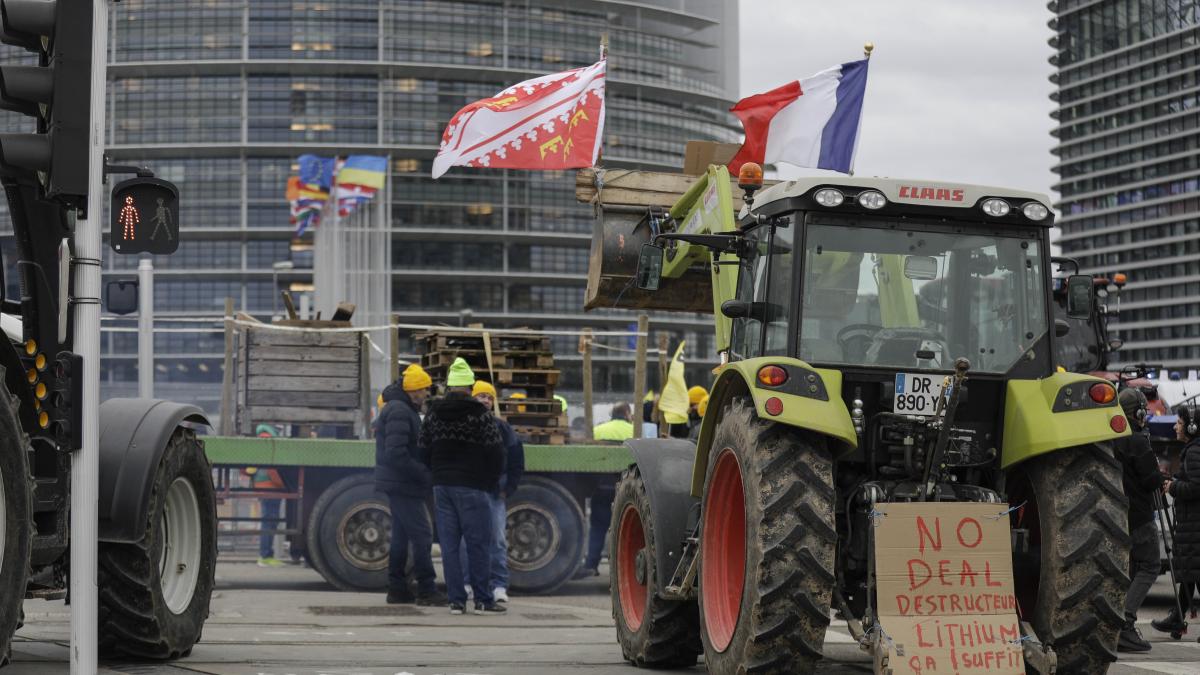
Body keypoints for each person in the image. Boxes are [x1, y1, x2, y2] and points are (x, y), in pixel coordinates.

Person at [420, 358, 506, 616]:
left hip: (442, 487)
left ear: (449, 386)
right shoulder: (479, 414)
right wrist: (489, 481)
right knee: (478, 543)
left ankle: (456, 601)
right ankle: (482, 598)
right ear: (469, 386)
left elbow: (422, 448)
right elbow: (496, 451)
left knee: (449, 545)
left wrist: (436, 472)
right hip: (473, 486)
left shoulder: (433, 413)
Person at [374, 365, 444, 606]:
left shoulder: (402, 408)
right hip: (404, 484)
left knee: (401, 538)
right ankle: (426, 589)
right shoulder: (401, 411)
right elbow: (396, 453)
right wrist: (423, 473)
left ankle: (397, 588)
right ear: (414, 390)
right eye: (424, 389)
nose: (427, 394)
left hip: (400, 483)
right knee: (423, 535)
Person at [466, 380, 526, 604]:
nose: (485, 400)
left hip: (494, 493)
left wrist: (508, 488)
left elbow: (517, 460)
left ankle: (499, 585)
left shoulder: (503, 428)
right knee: (469, 539)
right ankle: (468, 582)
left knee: (497, 540)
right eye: (481, 395)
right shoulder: (465, 426)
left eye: (489, 397)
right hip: (472, 492)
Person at [1114, 388, 1161, 652]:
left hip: (1119, 516)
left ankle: (1117, 622)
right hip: (1140, 515)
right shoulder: (1138, 441)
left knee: (1130, 569)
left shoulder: (1111, 439)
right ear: (1139, 412)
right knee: (1150, 566)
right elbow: (1151, 480)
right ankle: (1126, 623)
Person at [1153, 401, 1200, 638]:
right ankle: (1178, 620)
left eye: (1179, 423)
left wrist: (1173, 486)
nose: (1175, 428)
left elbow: (1195, 487)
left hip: (1194, 525)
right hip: (1192, 525)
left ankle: (1177, 619)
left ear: (1192, 427)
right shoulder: (1193, 450)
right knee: (1190, 573)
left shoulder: (1194, 451)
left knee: (1194, 573)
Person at [575, 403, 635, 579]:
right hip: (626, 488)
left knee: (598, 529)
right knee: (625, 530)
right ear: (626, 413)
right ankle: (622, 570)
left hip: (601, 487)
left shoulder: (598, 430)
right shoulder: (634, 430)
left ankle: (591, 565)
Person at [251, 424, 287, 568]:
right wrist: (284, 485)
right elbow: (272, 467)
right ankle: (265, 556)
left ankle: (267, 555)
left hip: (262, 486)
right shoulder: (269, 440)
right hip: (271, 487)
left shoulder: (260, 438)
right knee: (270, 521)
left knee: (268, 520)